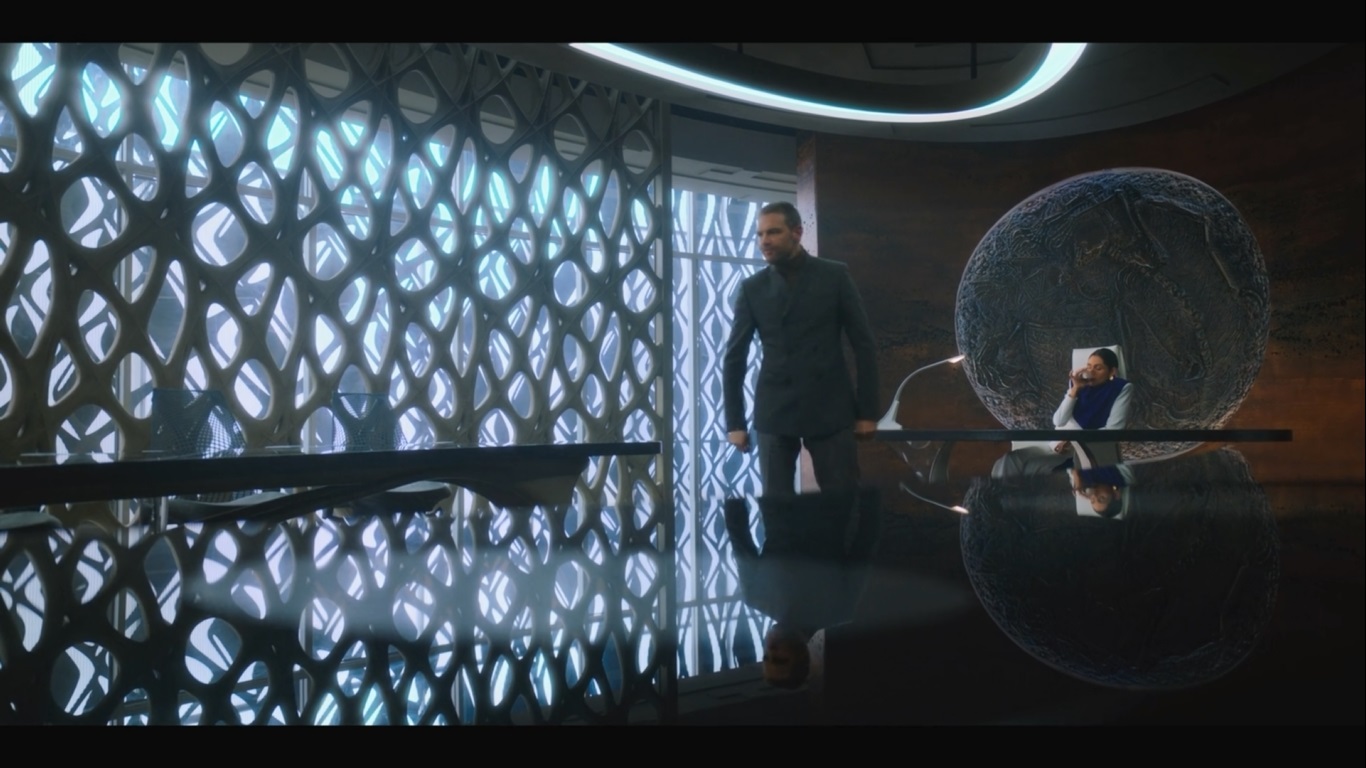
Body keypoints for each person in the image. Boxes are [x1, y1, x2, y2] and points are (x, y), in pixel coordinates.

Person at [722, 202, 880, 495]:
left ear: (797, 232)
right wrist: (735, 422)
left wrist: (868, 412)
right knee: (776, 509)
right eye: (759, 234)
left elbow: (864, 345)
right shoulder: (752, 288)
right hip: (774, 411)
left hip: (830, 409)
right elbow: (734, 358)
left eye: (773, 232)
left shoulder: (834, 276)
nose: (764, 241)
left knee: (842, 505)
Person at [991, 348, 1133, 479]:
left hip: (1079, 450)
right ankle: (999, 494)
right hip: (1055, 443)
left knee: (1031, 467)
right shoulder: (1078, 385)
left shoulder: (1121, 389)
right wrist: (1074, 390)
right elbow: (1058, 421)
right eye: (1089, 367)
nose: (1091, 372)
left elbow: (1114, 430)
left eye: (1098, 368)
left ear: (1112, 371)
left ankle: (1007, 495)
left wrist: (1074, 441)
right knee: (1010, 459)